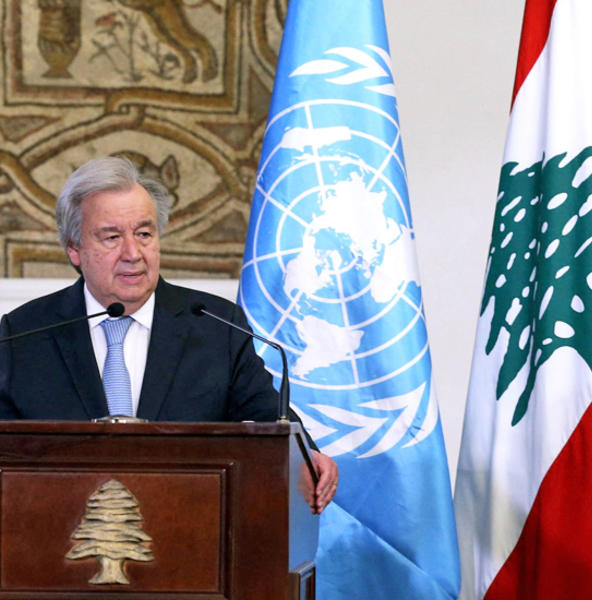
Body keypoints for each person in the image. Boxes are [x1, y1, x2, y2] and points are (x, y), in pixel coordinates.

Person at [0, 156, 338, 513]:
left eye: (144, 234)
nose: (133, 254)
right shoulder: (23, 334)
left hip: (190, 533)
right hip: (53, 537)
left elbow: (269, 418)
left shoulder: (215, 326)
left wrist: (308, 457)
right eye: (112, 237)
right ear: (74, 249)